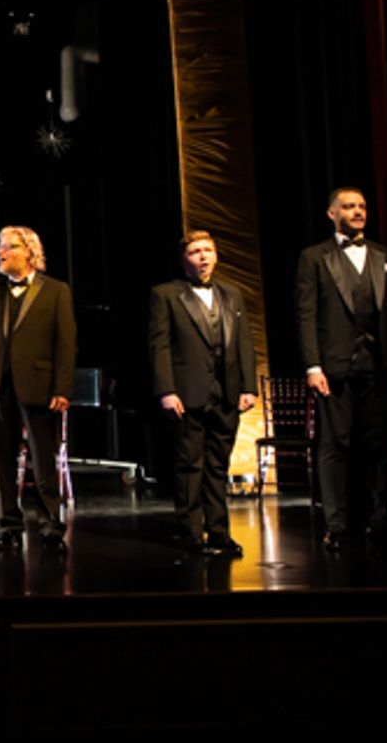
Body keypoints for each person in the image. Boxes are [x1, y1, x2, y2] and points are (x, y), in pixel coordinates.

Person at [296, 188, 387, 552]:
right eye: (349, 207)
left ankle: (380, 520)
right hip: (334, 366)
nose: (358, 211)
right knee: (335, 445)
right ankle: (337, 525)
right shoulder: (314, 257)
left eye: (361, 206)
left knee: (378, 445)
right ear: (332, 213)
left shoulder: (384, 255)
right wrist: (313, 365)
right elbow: (306, 314)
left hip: (377, 364)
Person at [0, 226, 76, 553]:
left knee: (44, 461)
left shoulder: (55, 291)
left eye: (8, 247)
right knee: (2, 461)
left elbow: (66, 344)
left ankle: (51, 526)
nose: (0, 252)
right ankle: (8, 525)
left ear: (28, 252)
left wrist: (62, 388)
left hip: (40, 386)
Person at [147, 231, 256, 556]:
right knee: (189, 466)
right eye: (195, 251)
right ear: (184, 259)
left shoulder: (232, 294)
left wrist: (248, 386)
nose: (203, 256)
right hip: (188, 392)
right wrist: (166, 389)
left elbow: (244, 342)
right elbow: (159, 345)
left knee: (218, 466)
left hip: (226, 393)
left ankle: (219, 532)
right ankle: (190, 532)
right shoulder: (166, 294)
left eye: (208, 250)